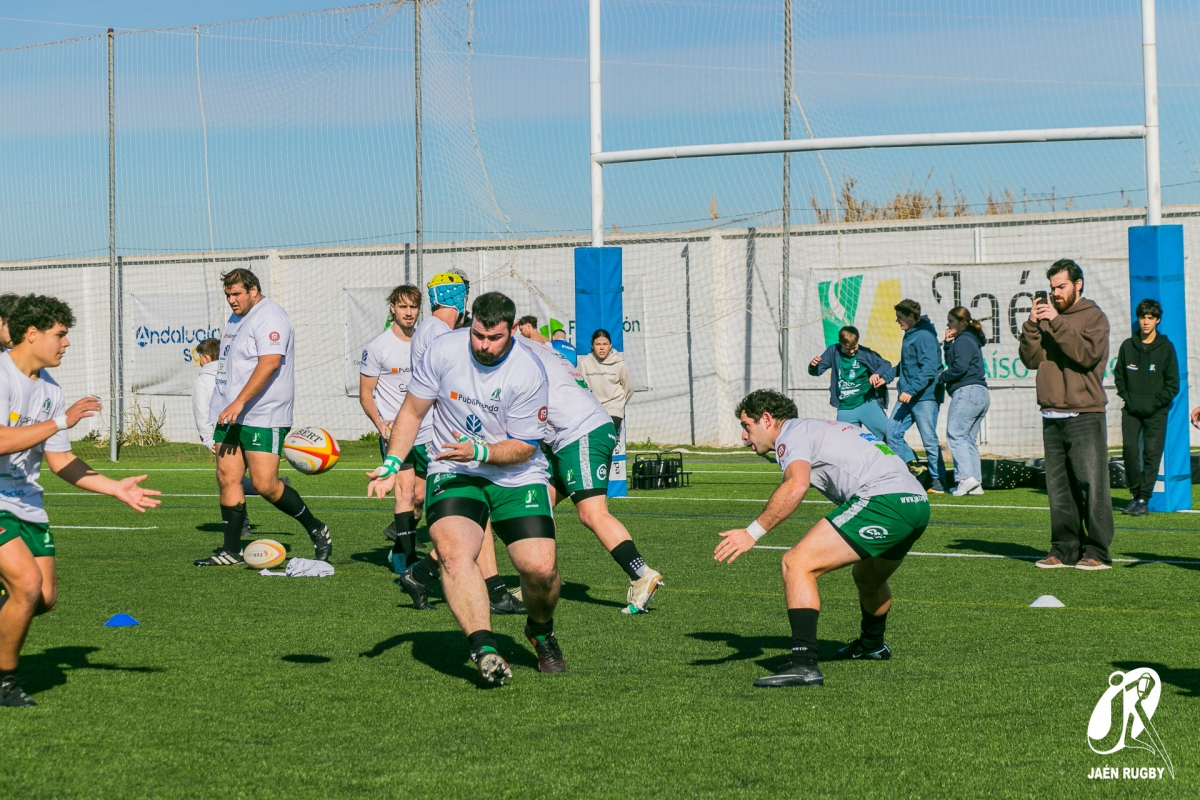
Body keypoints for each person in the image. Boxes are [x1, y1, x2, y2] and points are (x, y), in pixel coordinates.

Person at [368, 292, 563, 685]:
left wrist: (482, 449)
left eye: (494, 338)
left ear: (510, 331)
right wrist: (393, 462)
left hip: (515, 472)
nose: (484, 346)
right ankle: (484, 648)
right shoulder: (443, 350)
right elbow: (412, 411)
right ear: (470, 323)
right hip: (453, 465)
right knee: (455, 554)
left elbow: (525, 445)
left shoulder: (529, 370)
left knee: (539, 569)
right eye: (477, 335)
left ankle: (540, 632)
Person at [0, 295, 161, 706]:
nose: (65, 343)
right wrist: (61, 420)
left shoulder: (51, 390)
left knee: (44, 598)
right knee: (27, 584)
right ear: (31, 334)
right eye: (60, 334)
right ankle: (5, 682)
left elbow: (61, 461)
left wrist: (115, 487)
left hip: (26, 501)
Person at [714, 390, 929, 688]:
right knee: (868, 576)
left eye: (747, 426)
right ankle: (872, 645)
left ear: (766, 419)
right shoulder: (820, 426)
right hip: (916, 502)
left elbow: (796, 484)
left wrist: (751, 533)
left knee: (796, 564)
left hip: (884, 500)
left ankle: (804, 664)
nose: (743, 436)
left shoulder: (791, 434)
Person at [392, 273, 524, 615]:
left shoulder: (428, 330)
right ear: (460, 298)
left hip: (442, 434)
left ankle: (420, 573)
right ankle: (489, 590)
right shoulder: (441, 334)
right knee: (476, 510)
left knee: (472, 515)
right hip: (446, 437)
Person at [518, 320, 664, 613]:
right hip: (574, 436)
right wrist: (530, 330)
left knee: (592, 513)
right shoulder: (543, 349)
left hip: (579, 435)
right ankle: (535, 582)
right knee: (534, 506)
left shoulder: (518, 353)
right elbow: (537, 336)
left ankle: (641, 573)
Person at [197, 268, 331, 566]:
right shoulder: (236, 318)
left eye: (237, 294)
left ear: (253, 289)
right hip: (231, 414)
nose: (232, 300)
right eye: (228, 295)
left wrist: (239, 402)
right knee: (227, 477)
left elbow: (269, 363)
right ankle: (231, 551)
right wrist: (222, 406)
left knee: (264, 484)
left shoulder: (271, 317)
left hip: (262, 413)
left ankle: (316, 528)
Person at [1019, 258, 1114, 570]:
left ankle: (1098, 552)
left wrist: (1056, 322)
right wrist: (1033, 325)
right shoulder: (1046, 318)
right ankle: (1064, 549)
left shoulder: (1093, 316)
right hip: (1051, 415)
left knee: (1091, 487)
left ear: (1078, 284)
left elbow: (1086, 356)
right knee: (1059, 492)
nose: (1055, 293)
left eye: (1061, 286)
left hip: (1085, 414)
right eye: (1052, 287)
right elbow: (1030, 360)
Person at [359, 285, 421, 570]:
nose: (409, 312)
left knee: (420, 497)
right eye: (403, 306)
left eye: (414, 307)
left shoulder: (426, 342)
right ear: (392, 309)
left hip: (428, 430)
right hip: (396, 433)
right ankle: (407, 562)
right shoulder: (377, 347)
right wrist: (380, 422)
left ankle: (398, 544)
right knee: (405, 492)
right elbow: (365, 394)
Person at [1114, 299, 1179, 516]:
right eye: (1143, 317)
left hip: (1156, 412)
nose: (1146, 321)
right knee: (1131, 452)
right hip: (1131, 410)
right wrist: (1129, 399)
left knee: (1152, 455)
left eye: (1150, 318)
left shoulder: (1166, 348)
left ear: (1158, 320)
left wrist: (1154, 403)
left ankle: (1143, 500)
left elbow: (1173, 384)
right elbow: (1119, 377)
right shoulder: (1127, 346)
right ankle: (1134, 496)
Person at [885, 299, 947, 493]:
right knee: (891, 431)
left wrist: (910, 390)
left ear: (911, 317)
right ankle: (898, 477)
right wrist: (885, 376)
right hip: (909, 394)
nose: (897, 321)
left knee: (928, 440)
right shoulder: (910, 334)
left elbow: (929, 369)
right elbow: (906, 365)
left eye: (900, 318)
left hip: (924, 396)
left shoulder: (925, 336)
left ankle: (938, 481)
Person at [192, 337, 251, 535]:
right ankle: (244, 522)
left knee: (229, 480)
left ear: (206, 358)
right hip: (246, 428)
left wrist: (208, 439)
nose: (199, 362)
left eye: (200, 357)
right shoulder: (234, 372)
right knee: (236, 477)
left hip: (224, 433)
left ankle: (241, 524)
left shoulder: (203, 379)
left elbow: (202, 412)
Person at [938, 307, 990, 497]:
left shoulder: (965, 340)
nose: (948, 325)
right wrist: (948, 345)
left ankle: (965, 478)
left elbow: (958, 368)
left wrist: (941, 377)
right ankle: (975, 483)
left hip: (967, 392)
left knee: (956, 436)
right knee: (968, 439)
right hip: (979, 393)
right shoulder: (966, 340)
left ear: (961, 322)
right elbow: (955, 361)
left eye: (951, 321)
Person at [807, 325, 894, 440]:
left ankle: (907, 458)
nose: (852, 351)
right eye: (848, 349)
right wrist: (813, 366)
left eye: (855, 347)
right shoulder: (832, 351)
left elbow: (886, 365)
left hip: (867, 402)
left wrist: (877, 373)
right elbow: (817, 371)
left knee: (888, 435)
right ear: (840, 343)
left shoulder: (865, 352)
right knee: (847, 441)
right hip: (845, 407)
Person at [577, 329, 632, 435]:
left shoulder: (619, 363)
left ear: (610, 345)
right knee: (595, 443)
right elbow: (578, 388)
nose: (601, 348)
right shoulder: (584, 363)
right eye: (598, 344)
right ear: (592, 346)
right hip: (592, 410)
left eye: (605, 344)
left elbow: (629, 387)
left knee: (605, 440)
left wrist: (619, 405)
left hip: (613, 409)